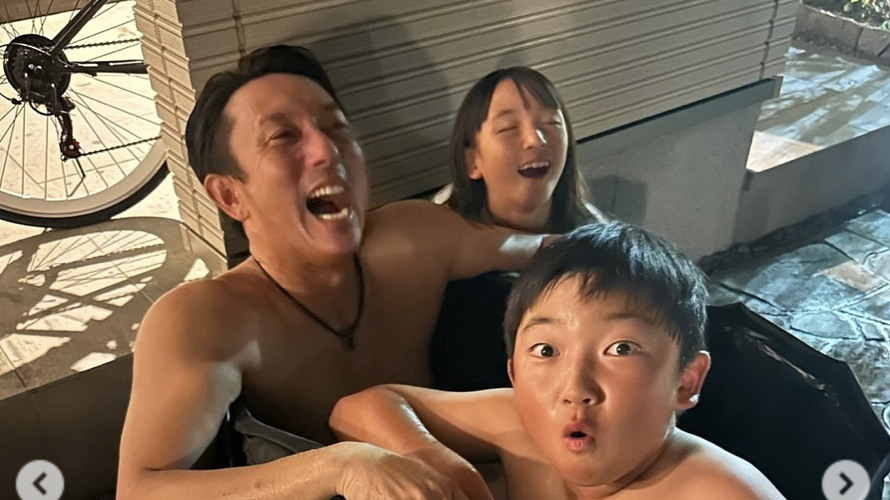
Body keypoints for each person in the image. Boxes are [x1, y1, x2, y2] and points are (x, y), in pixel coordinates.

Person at [116, 45, 554, 500]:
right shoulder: (205, 318)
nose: (326, 150)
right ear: (230, 196)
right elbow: (140, 490)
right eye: (283, 136)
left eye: (335, 127)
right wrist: (338, 467)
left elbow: (545, 250)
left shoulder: (412, 241)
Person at [332, 222, 786, 500]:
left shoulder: (719, 491)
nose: (574, 388)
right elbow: (357, 409)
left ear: (685, 380)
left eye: (620, 349)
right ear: (514, 373)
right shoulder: (519, 426)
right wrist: (437, 462)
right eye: (546, 351)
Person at [431, 67, 606, 390]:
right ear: (472, 162)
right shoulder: (444, 265)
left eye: (551, 124)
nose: (535, 140)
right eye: (508, 128)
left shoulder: (595, 236)